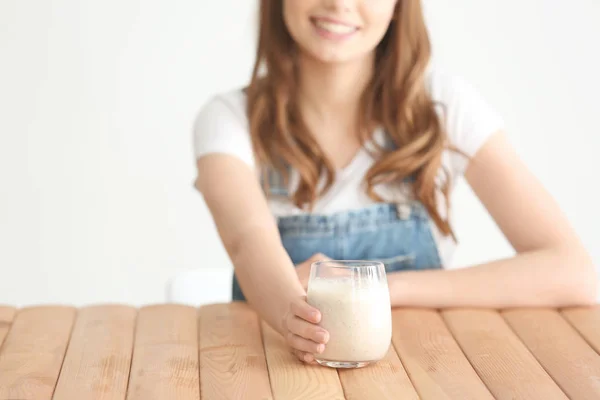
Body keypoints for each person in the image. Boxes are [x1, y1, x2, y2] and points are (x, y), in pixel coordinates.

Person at [193, 0, 596, 363]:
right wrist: (290, 312)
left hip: (426, 368)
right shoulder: (229, 119)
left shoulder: (443, 108)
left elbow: (573, 273)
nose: (339, 4)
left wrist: (382, 288)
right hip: (271, 370)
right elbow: (247, 242)